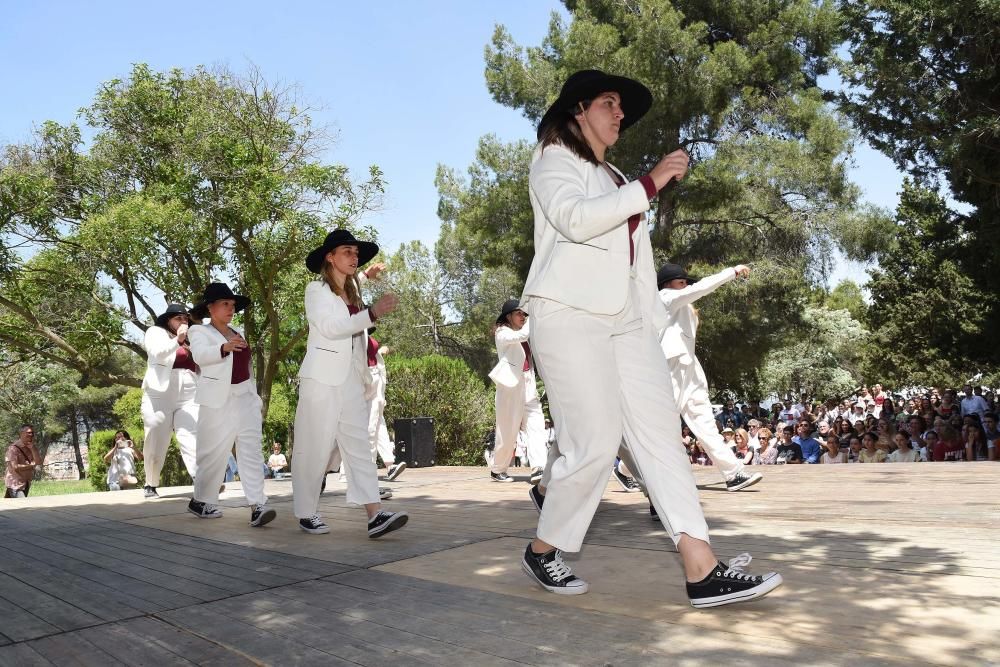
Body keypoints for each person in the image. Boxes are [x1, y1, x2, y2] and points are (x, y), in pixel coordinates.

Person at [517, 69, 780, 607]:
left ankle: (701, 567)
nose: (619, 114)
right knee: (592, 442)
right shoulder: (552, 157)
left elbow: (636, 262)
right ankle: (543, 550)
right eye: (608, 104)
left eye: (621, 108)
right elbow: (574, 219)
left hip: (629, 324)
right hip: (569, 314)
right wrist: (651, 183)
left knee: (661, 437)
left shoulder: (613, 173)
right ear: (578, 110)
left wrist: (650, 323)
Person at [292, 229, 408, 538]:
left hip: (350, 380)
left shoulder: (352, 290)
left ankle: (374, 513)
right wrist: (371, 313)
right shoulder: (315, 291)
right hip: (321, 378)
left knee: (358, 445)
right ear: (330, 256)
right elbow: (331, 328)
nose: (354, 257)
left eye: (356, 253)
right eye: (348, 252)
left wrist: (365, 376)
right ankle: (306, 512)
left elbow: (356, 333)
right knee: (314, 446)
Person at [657, 263, 762, 491]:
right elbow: (702, 288)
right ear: (667, 284)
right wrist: (731, 272)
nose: (686, 286)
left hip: (689, 368)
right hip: (671, 367)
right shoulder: (664, 298)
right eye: (681, 282)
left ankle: (734, 474)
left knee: (706, 425)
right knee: (661, 427)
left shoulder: (682, 305)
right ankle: (626, 468)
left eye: (686, 282)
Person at [187, 282, 275, 527]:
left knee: (251, 451)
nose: (230, 309)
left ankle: (258, 505)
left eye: (233, 305)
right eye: (225, 304)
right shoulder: (199, 332)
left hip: (245, 399)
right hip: (217, 401)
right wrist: (224, 348)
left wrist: (254, 397)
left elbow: (246, 367)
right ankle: (201, 500)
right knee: (212, 454)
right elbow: (201, 356)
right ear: (210, 307)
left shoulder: (238, 332)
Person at [140, 303, 199, 498]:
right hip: (160, 391)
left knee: (192, 434)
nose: (183, 321)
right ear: (168, 320)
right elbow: (157, 353)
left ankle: (202, 479)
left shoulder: (193, 339)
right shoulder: (155, 332)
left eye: (186, 318)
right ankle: (151, 482)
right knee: (156, 438)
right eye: (178, 318)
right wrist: (178, 340)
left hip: (189, 387)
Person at [489, 299, 547, 483]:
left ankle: (539, 467)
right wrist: (534, 317)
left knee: (537, 426)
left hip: (528, 385)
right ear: (509, 317)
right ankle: (498, 469)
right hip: (510, 387)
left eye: (524, 313)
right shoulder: (502, 333)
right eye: (519, 313)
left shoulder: (523, 332)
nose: (523, 316)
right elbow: (522, 336)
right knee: (507, 431)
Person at [366, 331, 405, 481]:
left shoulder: (366, 337)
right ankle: (323, 471)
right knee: (369, 429)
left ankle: (390, 466)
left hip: (375, 391)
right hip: (365, 389)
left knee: (379, 427)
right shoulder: (354, 338)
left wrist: (380, 396)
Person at [4, 425, 40, 498]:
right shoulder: (13, 449)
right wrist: (31, 465)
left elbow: (38, 462)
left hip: (26, 483)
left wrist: (33, 448)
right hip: (15, 485)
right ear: (21, 433)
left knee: (10, 506)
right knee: (23, 505)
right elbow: (15, 467)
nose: (31, 435)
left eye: (32, 433)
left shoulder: (32, 446)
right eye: (28, 432)